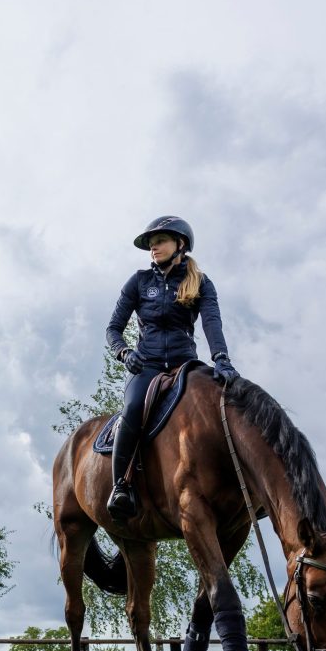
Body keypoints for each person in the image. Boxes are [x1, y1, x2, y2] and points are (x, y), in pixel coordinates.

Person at [104, 216, 239, 524]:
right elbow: (113, 328)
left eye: (160, 242)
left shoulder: (200, 282)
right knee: (133, 409)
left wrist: (221, 358)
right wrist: (124, 353)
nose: (154, 249)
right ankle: (121, 486)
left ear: (180, 244)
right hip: (146, 365)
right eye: (151, 245)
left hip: (185, 364)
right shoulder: (138, 281)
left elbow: (211, 323)